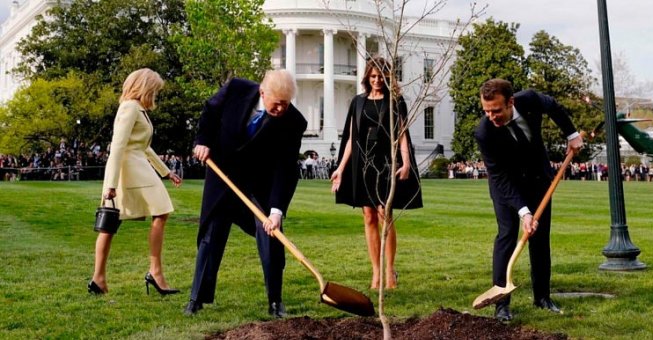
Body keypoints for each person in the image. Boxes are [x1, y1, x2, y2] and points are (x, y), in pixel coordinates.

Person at [184, 69, 307, 318]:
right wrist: (203, 141)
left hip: (260, 184)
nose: (281, 109)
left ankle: (275, 302)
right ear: (263, 92)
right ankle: (196, 298)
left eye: (286, 104)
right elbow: (210, 111)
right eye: (277, 103)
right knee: (211, 235)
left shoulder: (294, 122)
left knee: (271, 238)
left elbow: (286, 168)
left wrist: (276, 211)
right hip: (223, 175)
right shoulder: (236, 89)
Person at [474, 78, 583, 321]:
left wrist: (572, 134)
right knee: (507, 234)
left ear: (511, 102)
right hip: (506, 187)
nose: (492, 116)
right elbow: (500, 177)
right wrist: (524, 212)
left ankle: (542, 297)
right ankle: (502, 304)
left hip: (538, 179)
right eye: (486, 111)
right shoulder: (484, 133)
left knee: (540, 237)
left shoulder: (530, 99)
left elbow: (553, 106)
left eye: (497, 110)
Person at [331, 57, 422, 290]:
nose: (377, 81)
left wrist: (407, 161)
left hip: (386, 163)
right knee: (369, 216)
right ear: (366, 78)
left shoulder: (395, 102)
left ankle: (390, 271)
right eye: (373, 76)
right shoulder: (358, 102)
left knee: (385, 215)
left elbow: (402, 133)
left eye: (381, 77)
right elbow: (352, 138)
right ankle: (376, 273)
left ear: (387, 77)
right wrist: (340, 169)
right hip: (363, 164)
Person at [89, 68, 182, 295]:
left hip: (138, 168)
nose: (155, 95)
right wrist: (110, 185)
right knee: (113, 222)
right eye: (155, 90)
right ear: (145, 87)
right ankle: (153, 273)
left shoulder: (138, 109)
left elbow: (143, 146)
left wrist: (166, 172)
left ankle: (99, 280)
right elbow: (118, 146)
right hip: (130, 170)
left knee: (112, 224)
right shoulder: (130, 107)